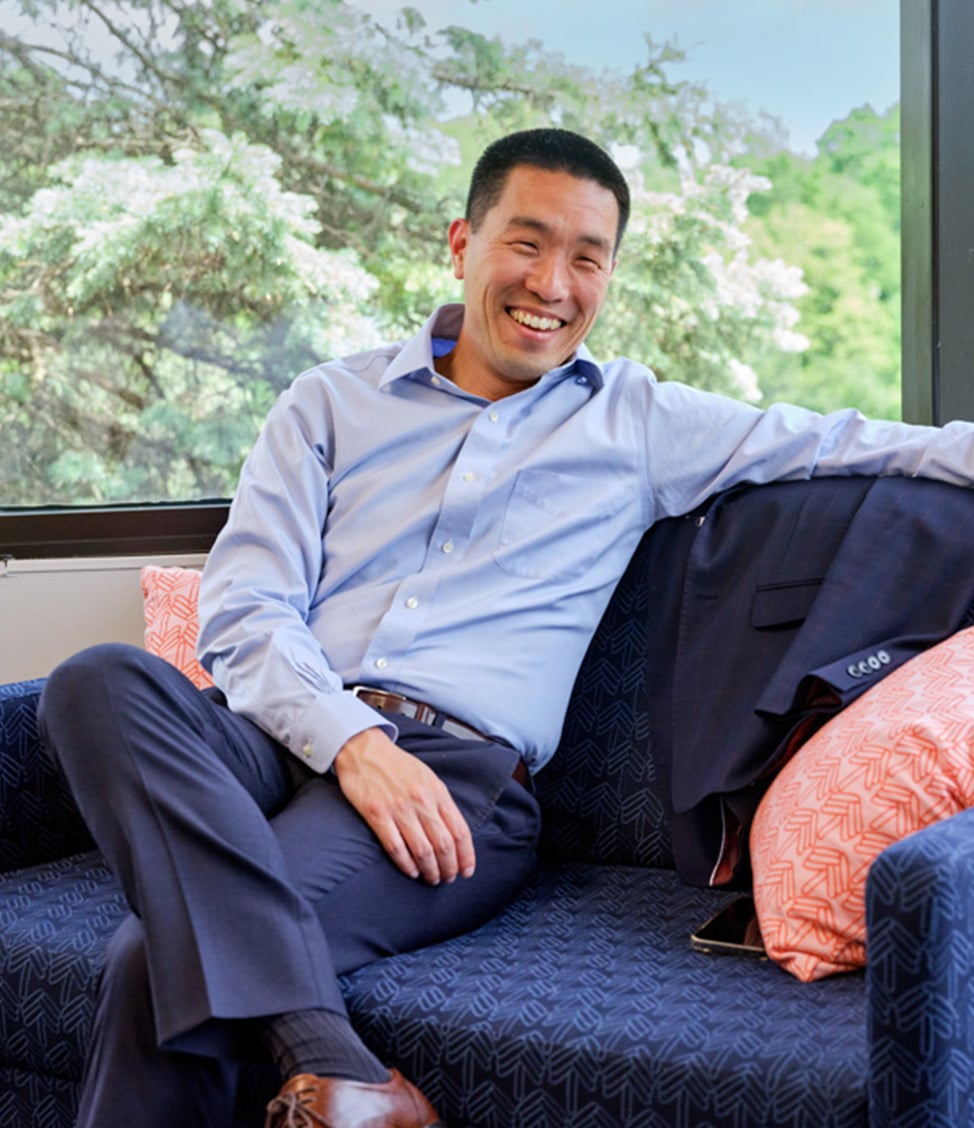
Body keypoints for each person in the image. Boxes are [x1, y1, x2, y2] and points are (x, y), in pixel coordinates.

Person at [38, 127, 974, 1128]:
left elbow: (852, 442)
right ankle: (337, 1062)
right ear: (461, 241)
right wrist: (350, 743)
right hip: (276, 735)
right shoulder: (327, 403)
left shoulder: (637, 421)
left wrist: (389, 759)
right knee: (95, 681)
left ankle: (334, 1064)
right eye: (527, 243)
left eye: (586, 257)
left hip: (458, 786)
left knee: (153, 954)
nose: (553, 282)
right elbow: (244, 606)